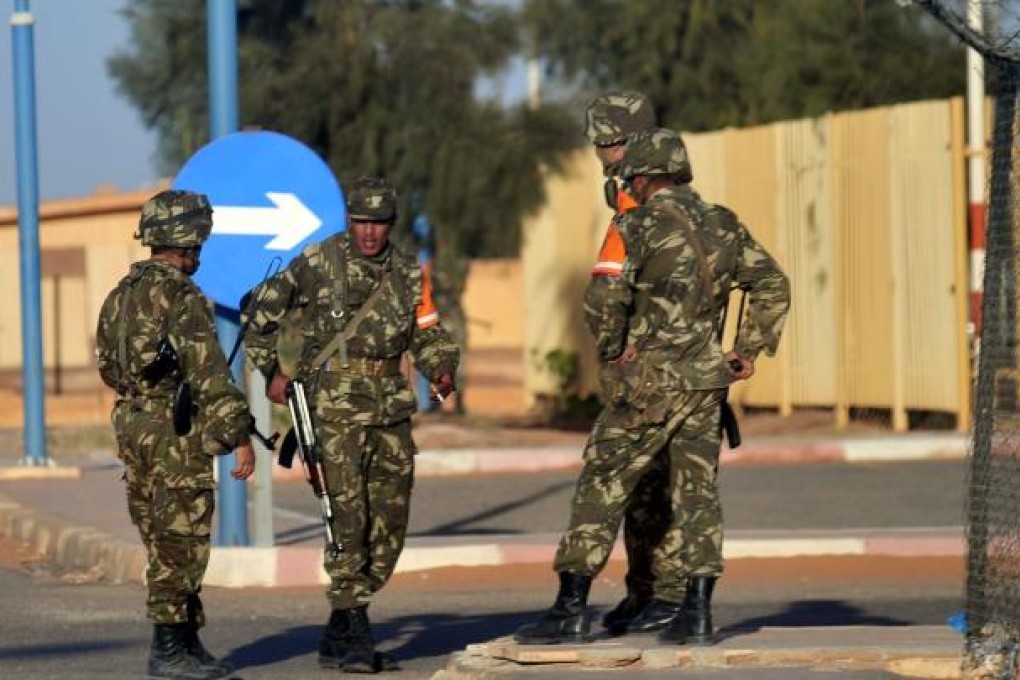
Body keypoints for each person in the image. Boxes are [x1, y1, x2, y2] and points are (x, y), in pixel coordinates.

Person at [514, 129, 790, 646]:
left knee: (603, 482)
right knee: (697, 494)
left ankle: (570, 607)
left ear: (639, 177)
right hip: (707, 382)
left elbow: (603, 298)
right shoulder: (724, 223)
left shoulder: (632, 225)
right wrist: (746, 349)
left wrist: (616, 348)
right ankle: (698, 613)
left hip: (648, 385)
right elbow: (773, 283)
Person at [241, 176, 459, 672]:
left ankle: (339, 626)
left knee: (391, 522)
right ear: (349, 221)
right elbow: (262, 312)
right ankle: (357, 629)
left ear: (390, 225)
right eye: (361, 221)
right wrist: (271, 370)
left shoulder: (407, 273)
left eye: (378, 223)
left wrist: (442, 367)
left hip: (389, 408)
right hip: (334, 410)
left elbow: (427, 332)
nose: (369, 233)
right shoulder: (319, 262)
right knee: (346, 516)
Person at [95, 189, 256, 679]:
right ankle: (168, 653)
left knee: (161, 537)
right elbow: (209, 374)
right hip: (173, 431)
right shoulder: (181, 297)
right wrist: (240, 436)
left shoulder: (121, 293)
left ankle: (186, 643)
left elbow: (107, 367)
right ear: (189, 241)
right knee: (180, 541)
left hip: (133, 427)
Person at [582, 91, 679, 636]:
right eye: (599, 144)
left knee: (667, 485)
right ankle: (644, 590)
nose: (603, 154)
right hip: (630, 366)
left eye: (610, 143)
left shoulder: (659, 201)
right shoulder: (624, 199)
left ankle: (670, 593)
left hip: (664, 365)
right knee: (638, 490)